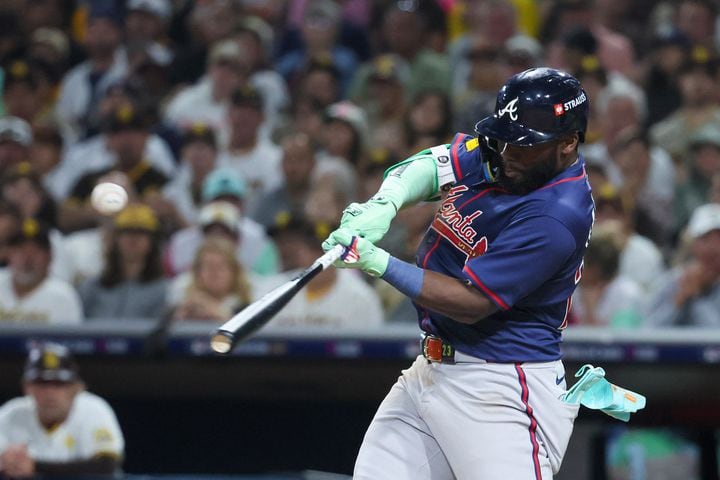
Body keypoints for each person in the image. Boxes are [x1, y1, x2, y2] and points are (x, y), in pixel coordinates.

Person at [322, 68, 595, 478]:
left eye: (524, 145)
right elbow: (434, 165)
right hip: (430, 372)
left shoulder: (557, 213)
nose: (507, 153)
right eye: (504, 140)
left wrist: (377, 262)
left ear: (568, 143)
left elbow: (471, 302)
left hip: (500, 387)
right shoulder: (508, 156)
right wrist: (386, 202)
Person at [0, 343, 124, 477]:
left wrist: (35, 466)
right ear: (27, 387)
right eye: (42, 383)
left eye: (59, 384)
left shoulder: (94, 409)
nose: (50, 393)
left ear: (76, 387)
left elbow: (106, 466)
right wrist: (8, 463)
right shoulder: (11, 413)